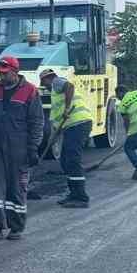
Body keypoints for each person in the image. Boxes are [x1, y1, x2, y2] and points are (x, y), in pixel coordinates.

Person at [0, 54, 43, 241]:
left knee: (17, 188)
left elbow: (37, 122)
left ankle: (16, 227)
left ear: (15, 72)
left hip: (20, 147)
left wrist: (33, 148)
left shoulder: (30, 91)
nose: (1, 76)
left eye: (5, 73)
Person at [39, 68, 93, 208]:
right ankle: (73, 193)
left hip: (79, 124)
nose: (43, 85)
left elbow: (70, 86)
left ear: (48, 78)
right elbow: (55, 125)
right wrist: (51, 142)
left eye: (43, 82)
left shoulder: (57, 81)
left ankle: (81, 197)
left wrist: (67, 108)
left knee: (73, 159)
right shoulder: (55, 96)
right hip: (72, 127)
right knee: (65, 160)